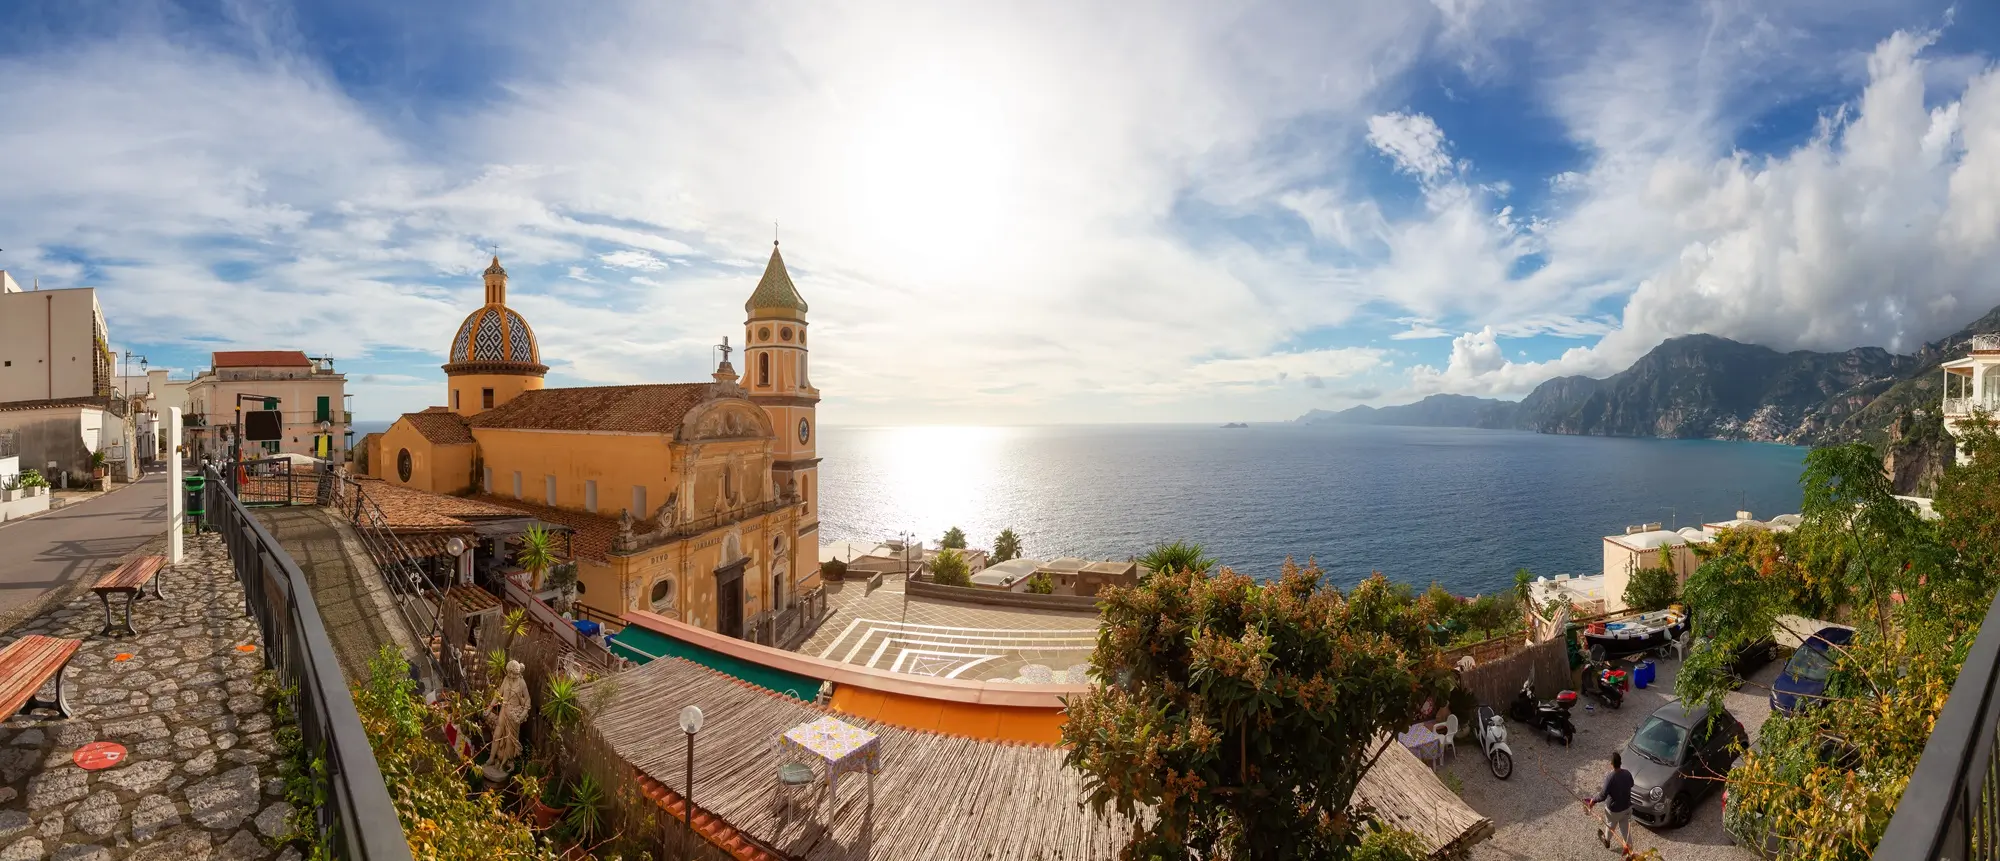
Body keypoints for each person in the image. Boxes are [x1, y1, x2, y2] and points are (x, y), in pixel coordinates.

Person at [1584, 751, 1636, 855]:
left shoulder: (1610, 778)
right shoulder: (1627, 773)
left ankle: (1606, 840)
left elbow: (1602, 795)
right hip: (1626, 807)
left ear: (1611, 764)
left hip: (1614, 810)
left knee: (1611, 824)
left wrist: (1593, 800)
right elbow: (1631, 784)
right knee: (1626, 830)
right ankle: (1631, 851)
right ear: (1620, 762)